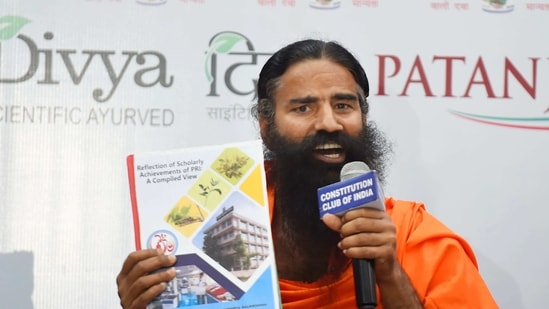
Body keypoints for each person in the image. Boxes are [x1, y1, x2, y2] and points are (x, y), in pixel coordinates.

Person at [116, 39, 498, 308]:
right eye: (303, 108)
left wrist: (390, 273)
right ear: (266, 124)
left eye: (344, 105)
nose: (329, 123)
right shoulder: (214, 218)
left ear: (363, 117)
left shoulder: (414, 235)